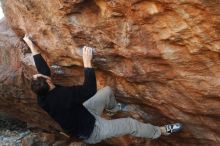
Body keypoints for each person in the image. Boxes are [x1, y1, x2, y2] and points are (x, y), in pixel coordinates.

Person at [23, 34, 183, 144]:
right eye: (43, 77)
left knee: (106, 91)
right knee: (130, 124)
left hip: (83, 113)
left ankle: (112, 110)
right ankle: (160, 131)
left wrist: (30, 44)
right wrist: (87, 61)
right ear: (49, 84)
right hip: (92, 130)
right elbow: (88, 90)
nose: (42, 74)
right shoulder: (63, 96)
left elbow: (43, 71)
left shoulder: (42, 96)